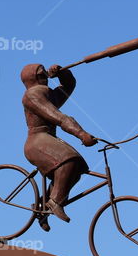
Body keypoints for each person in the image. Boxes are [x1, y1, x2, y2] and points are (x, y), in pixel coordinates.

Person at [20, 63, 97, 230]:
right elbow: (59, 118)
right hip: (37, 141)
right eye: (42, 74)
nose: (46, 76)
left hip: (48, 138)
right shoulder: (33, 94)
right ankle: (54, 202)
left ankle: (42, 206)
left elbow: (69, 85)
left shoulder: (48, 94)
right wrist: (81, 134)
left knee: (76, 170)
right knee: (70, 160)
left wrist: (62, 73)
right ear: (33, 77)